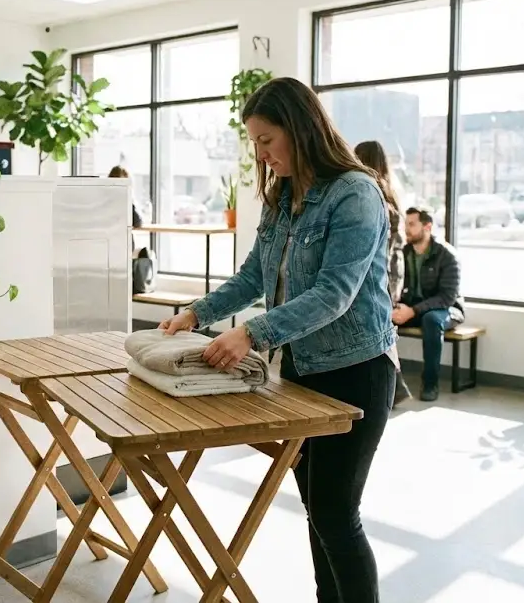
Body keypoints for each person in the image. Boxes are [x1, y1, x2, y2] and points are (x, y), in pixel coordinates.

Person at [160, 76, 396, 603]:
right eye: (254, 143)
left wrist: (252, 332)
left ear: (302, 128)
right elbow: (253, 277)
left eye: (267, 140)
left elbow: (335, 294)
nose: (261, 155)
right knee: (317, 509)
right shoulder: (283, 195)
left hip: (358, 370)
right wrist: (197, 313)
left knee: (336, 512)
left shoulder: (355, 194)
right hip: (303, 369)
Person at [354, 140, 413, 407]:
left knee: (378, 331)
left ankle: (392, 386)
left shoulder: (367, 196)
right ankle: (395, 386)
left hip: (377, 276)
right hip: (393, 275)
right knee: (382, 329)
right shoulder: (392, 198)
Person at [392, 206, 464, 402]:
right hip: (412, 308)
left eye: (412, 224)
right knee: (381, 318)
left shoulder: (447, 255)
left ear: (427, 226)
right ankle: (392, 384)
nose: (407, 229)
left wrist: (412, 311)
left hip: (446, 310)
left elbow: (447, 298)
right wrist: (395, 308)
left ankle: (430, 384)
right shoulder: (404, 252)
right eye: (406, 224)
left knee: (432, 320)